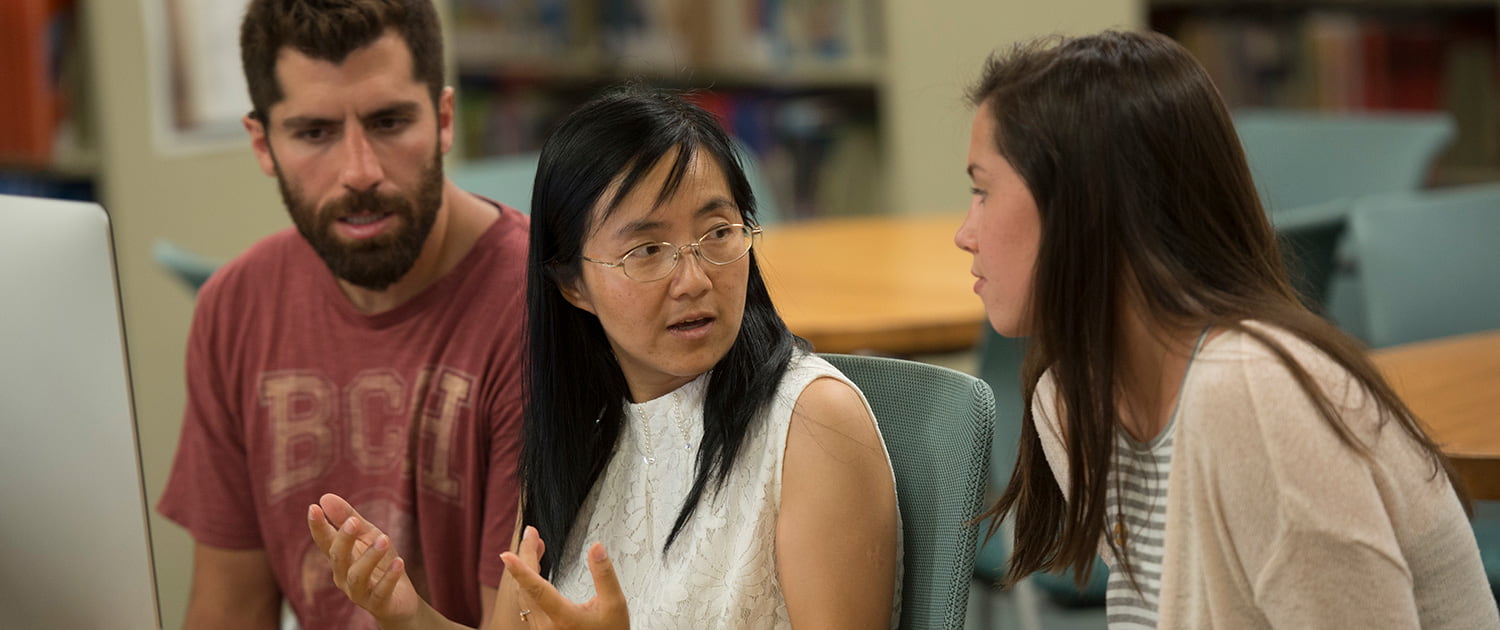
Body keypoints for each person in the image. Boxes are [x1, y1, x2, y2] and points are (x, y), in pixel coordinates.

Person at [305, 85, 903, 629]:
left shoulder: (813, 425)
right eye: (647, 250)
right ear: (572, 285)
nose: (693, 279)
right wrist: (408, 616)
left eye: (718, 233)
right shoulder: (576, 430)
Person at [957, 30, 1499, 629]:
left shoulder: (1250, 396)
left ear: (1082, 208)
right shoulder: (1069, 398)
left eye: (983, 191)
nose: (966, 232)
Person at [155, 1, 530, 628]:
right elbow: (229, 608)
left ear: (442, 120)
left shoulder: (535, 305)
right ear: (263, 143)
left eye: (388, 122)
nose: (359, 172)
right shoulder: (236, 306)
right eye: (314, 132)